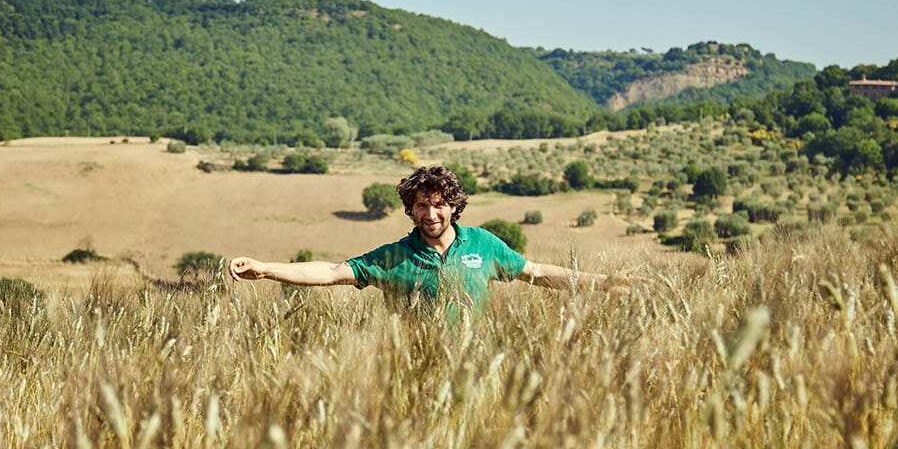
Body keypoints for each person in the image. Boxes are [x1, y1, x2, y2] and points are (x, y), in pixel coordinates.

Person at [228, 165, 640, 315]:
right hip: (413, 373)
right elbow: (333, 272)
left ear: (454, 207)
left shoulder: (483, 244)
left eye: (439, 205)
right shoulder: (393, 257)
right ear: (411, 210)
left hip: (480, 372)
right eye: (421, 205)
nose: (431, 214)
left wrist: (602, 283)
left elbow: (537, 273)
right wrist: (266, 269)